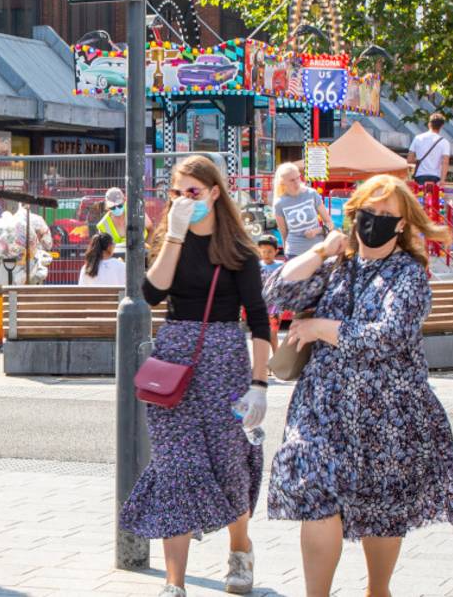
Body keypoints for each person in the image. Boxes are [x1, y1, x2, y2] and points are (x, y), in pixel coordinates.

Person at [264, 175, 453, 597]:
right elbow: (276, 290)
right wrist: (322, 249)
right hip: (321, 405)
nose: (373, 221)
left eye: (385, 215)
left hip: (386, 410)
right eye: (366, 212)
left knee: (382, 505)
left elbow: (388, 336)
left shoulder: (409, 275)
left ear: (402, 224)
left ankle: (378, 590)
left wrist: (322, 327)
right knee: (313, 487)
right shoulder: (336, 267)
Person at [120, 155, 271, 597]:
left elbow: (259, 320)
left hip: (224, 361)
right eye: (177, 193)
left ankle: (240, 551)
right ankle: (174, 583)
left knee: (229, 464)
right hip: (173, 366)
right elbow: (151, 293)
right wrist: (174, 235)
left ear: (215, 194)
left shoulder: (239, 252)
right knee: (175, 468)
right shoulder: (171, 240)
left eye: (194, 193)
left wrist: (259, 385)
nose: (186, 200)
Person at [271, 162, 331, 258]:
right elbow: (284, 234)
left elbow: (329, 223)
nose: (296, 182)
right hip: (294, 253)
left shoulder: (312, 194)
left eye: (298, 177)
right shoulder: (279, 203)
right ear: (282, 182)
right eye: (292, 180)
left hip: (317, 250)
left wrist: (317, 231)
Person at [95, 187, 146, 253]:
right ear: (107, 207)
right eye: (112, 207)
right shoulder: (103, 225)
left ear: (124, 200)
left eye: (119, 205)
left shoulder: (136, 211)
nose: (117, 209)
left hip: (141, 256)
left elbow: (151, 230)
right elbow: (104, 251)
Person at [407, 113, 450, 187]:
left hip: (420, 176)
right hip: (436, 177)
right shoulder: (445, 142)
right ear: (442, 126)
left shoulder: (418, 138)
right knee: (434, 198)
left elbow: (409, 160)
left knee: (420, 197)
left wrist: (418, 161)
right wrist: (442, 180)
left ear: (429, 124)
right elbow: (445, 162)